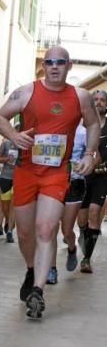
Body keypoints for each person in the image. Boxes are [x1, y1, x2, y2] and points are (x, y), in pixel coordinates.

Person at [0, 46, 99, 319]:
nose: (54, 67)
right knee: (26, 233)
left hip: (55, 173)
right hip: (26, 170)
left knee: (46, 229)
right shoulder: (26, 92)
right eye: (49, 62)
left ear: (69, 66)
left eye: (60, 63)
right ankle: (31, 269)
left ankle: (38, 290)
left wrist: (89, 153)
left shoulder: (81, 96)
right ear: (44, 65)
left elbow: (93, 124)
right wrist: (14, 137)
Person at [46, 122, 87, 282]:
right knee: (51, 228)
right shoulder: (54, 127)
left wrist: (85, 163)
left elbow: (94, 156)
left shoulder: (83, 132)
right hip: (53, 182)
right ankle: (52, 269)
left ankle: (72, 247)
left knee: (66, 230)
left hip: (75, 184)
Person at [77, 90, 107, 273]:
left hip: (102, 176)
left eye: (102, 100)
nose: (99, 102)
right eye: (95, 99)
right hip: (83, 176)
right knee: (81, 219)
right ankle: (83, 234)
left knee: (95, 212)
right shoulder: (82, 125)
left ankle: (86, 259)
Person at [0, 123, 20, 243]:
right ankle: (7, 221)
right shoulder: (6, 143)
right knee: (5, 207)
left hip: (18, 178)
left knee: (13, 205)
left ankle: (10, 231)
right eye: (17, 128)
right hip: (5, 177)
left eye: (21, 129)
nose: (19, 130)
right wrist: (6, 159)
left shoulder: (25, 145)